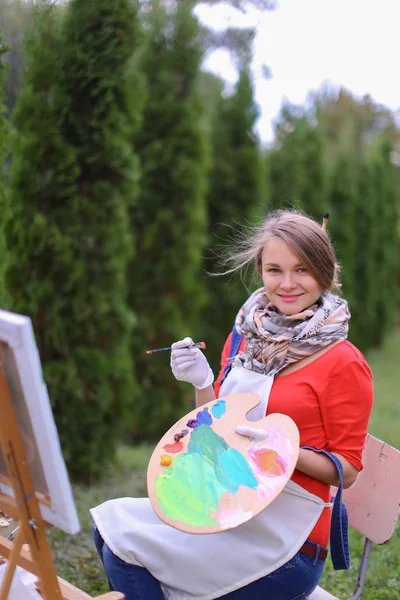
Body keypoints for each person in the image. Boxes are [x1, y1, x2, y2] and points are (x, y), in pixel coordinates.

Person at [90, 209, 374, 600]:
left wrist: (281, 449)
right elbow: (218, 426)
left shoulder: (343, 361)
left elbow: (349, 468)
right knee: (110, 527)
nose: (287, 284)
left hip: (288, 539)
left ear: (325, 273)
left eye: (303, 270)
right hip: (226, 500)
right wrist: (203, 383)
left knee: (128, 552)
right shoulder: (245, 336)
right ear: (260, 270)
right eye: (274, 270)